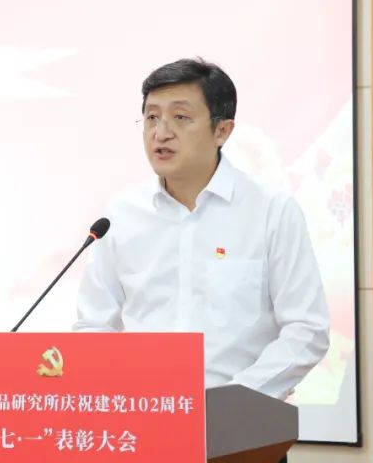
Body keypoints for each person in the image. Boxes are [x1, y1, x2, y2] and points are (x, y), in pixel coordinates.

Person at [74, 58, 330, 410]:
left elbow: (306, 330)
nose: (161, 133)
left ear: (222, 130)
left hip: (242, 423)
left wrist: (233, 401)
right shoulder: (120, 216)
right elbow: (93, 325)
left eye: (180, 117)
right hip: (146, 419)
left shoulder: (270, 210)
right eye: (151, 117)